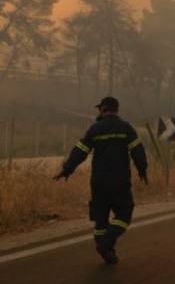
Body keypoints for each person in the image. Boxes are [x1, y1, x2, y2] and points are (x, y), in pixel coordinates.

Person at [54, 96, 148, 265]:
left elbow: (80, 151)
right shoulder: (126, 128)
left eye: (99, 109)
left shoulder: (95, 129)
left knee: (100, 220)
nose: (98, 112)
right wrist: (142, 170)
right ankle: (106, 245)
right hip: (119, 182)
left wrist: (67, 170)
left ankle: (106, 252)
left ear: (104, 109)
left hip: (98, 183)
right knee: (125, 213)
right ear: (117, 110)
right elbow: (137, 151)